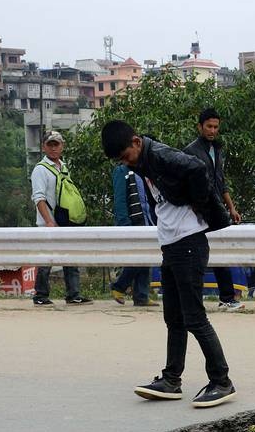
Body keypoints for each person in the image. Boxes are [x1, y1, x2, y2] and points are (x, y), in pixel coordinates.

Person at [101, 120, 236, 408]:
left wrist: (199, 204)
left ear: (136, 142)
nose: (125, 164)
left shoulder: (159, 155)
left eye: (126, 156)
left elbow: (198, 169)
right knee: (173, 319)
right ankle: (171, 380)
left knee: (194, 318)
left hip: (189, 243)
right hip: (172, 245)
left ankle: (222, 381)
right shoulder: (143, 164)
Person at [183, 107, 244, 311]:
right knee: (200, 256)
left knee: (219, 252)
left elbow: (221, 182)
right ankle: (217, 298)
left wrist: (231, 207)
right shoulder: (191, 151)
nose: (212, 130)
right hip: (200, 213)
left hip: (216, 210)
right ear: (200, 127)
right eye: (209, 126)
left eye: (216, 127)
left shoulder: (216, 149)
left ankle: (226, 297)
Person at [30, 130, 91, 306]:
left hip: (65, 221)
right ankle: (40, 295)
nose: (54, 148)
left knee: (70, 258)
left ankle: (74, 294)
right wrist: (49, 221)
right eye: (50, 144)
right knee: (46, 260)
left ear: (62, 146)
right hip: (48, 223)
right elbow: (38, 198)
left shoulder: (63, 166)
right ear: (44, 147)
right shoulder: (40, 170)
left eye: (57, 144)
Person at [109, 162, 154, 306]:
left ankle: (142, 296)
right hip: (131, 222)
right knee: (138, 260)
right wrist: (124, 225)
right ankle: (119, 286)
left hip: (145, 220)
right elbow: (120, 200)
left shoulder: (142, 170)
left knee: (146, 259)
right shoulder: (121, 171)